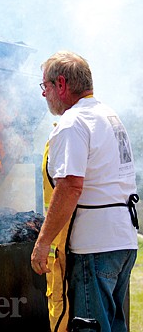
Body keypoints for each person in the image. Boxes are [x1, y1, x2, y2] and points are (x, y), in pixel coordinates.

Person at [31, 50, 139, 332]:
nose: (44, 94)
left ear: (62, 84)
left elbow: (70, 186)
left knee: (88, 328)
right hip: (122, 242)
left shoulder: (73, 123)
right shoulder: (109, 116)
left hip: (94, 247)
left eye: (46, 86)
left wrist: (43, 243)